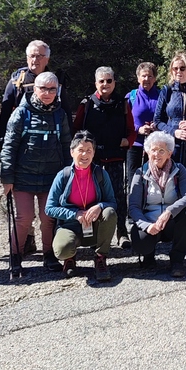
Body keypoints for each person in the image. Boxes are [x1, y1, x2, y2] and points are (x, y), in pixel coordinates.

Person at [0, 71, 72, 277]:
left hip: (51, 177)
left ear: (57, 90)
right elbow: (9, 146)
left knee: (48, 217)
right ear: (35, 89)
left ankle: (49, 255)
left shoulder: (60, 115)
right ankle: (15, 256)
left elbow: (67, 145)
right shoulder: (21, 113)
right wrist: (7, 177)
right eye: (43, 89)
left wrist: (68, 175)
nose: (47, 93)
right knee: (24, 218)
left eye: (52, 89)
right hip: (22, 177)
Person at [72, 67, 135, 250]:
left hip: (115, 158)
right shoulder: (87, 104)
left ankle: (122, 233)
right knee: (92, 196)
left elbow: (131, 130)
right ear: (96, 83)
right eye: (101, 81)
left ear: (114, 82)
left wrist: (128, 141)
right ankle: (94, 235)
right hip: (93, 160)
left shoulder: (123, 104)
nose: (105, 84)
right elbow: (76, 130)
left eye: (109, 80)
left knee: (118, 196)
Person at [45, 131, 117, 282]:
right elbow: (49, 208)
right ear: (72, 152)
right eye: (81, 150)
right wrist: (75, 214)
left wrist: (100, 206)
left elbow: (112, 203)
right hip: (70, 226)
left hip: (94, 225)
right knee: (62, 250)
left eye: (89, 150)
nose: (85, 154)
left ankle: (100, 258)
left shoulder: (100, 174)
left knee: (109, 212)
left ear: (94, 153)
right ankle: (69, 258)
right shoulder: (63, 176)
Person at [128, 131, 186, 278]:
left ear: (169, 153)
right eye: (153, 150)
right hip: (150, 221)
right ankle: (148, 256)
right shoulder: (140, 173)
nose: (156, 154)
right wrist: (147, 226)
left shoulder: (179, 170)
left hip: (171, 220)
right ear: (147, 152)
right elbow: (133, 207)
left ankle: (177, 260)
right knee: (140, 240)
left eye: (161, 151)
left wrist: (169, 212)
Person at [0, 40, 74, 138]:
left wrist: (70, 138)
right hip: (22, 136)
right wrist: (2, 137)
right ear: (27, 58)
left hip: (50, 136)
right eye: (32, 56)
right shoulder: (17, 81)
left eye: (39, 56)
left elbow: (65, 111)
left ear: (47, 59)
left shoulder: (55, 81)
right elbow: (5, 112)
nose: (34, 59)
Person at [153, 52, 186, 165]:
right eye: (175, 68)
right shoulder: (167, 90)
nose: (178, 71)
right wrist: (174, 132)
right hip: (171, 145)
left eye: (182, 68)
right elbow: (157, 121)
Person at [125, 62, 160, 192]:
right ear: (138, 78)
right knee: (134, 182)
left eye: (150, 76)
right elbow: (123, 121)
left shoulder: (162, 96)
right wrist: (138, 129)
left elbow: (166, 118)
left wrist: (158, 126)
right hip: (135, 146)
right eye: (143, 76)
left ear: (155, 78)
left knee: (154, 183)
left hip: (156, 147)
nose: (147, 79)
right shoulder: (131, 97)